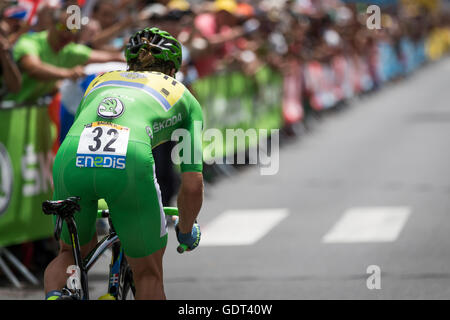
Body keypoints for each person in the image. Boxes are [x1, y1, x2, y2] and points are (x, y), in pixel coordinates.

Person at [44, 27, 204, 300]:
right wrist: (186, 229)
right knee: (149, 275)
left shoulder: (100, 80)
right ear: (173, 68)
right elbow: (192, 183)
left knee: (70, 252)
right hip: (129, 163)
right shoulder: (183, 95)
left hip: (71, 157)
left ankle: (57, 293)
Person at [4, 7, 125, 104]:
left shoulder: (69, 50)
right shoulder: (30, 42)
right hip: (6, 109)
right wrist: (68, 73)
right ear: (51, 24)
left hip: (29, 115)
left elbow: (109, 57)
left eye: (73, 30)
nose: (66, 34)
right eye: (63, 27)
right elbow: (34, 69)